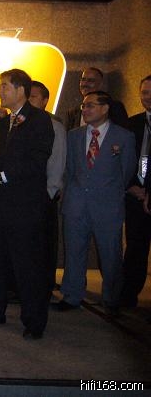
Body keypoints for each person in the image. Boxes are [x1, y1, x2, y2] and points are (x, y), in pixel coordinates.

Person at [0, 69, 54, 340]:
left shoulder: (40, 120)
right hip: (0, 205)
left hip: (26, 207)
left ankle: (34, 321)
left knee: (27, 265)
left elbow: (37, 161)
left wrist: (2, 177)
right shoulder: (3, 123)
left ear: (20, 90)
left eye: (4, 86)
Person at [59, 91, 136, 317]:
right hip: (76, 205)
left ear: (105, 108)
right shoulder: (74, 136)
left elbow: (127, 171)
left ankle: (111, 299)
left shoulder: (123, 137)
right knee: (74, 252)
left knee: (110, 255)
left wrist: (108, 192)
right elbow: (69, 170)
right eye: (84, 106)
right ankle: (72, 295)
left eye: (90, 105)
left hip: (107, 207)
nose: (85, 109)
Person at [29, 80, 67, 293]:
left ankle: (43, 287)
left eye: (34, 97)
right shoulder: (18, 123)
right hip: (22, 197)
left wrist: (49, 192)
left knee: (43, 245)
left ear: (45, 101)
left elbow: (57, 162)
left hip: (43, 195)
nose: (29, 101)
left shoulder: (54, 126)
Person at [121, 75, 151, 307]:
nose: (148, 97)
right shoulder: (131, 124)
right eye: (144, 92)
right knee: (135, 249)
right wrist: (131, 185)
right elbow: (123, 160)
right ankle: (128, 296)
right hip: (134, 196)